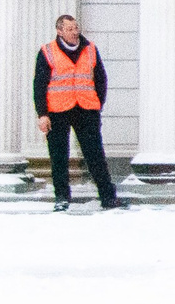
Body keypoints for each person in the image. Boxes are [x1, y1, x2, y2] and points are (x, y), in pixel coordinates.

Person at [33, 13, 121, 212]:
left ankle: (107, 196)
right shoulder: (47, 51)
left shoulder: (90, 49)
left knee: (95, 154)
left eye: (76, 28)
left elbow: (101, 79)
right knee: (59, 156)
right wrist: (42, 114)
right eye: (70, 29)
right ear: (60, 31)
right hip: (57, 110)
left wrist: (97, 104)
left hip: (86, 109)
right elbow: (39, 84)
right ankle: (62, 197)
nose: (75, 32)